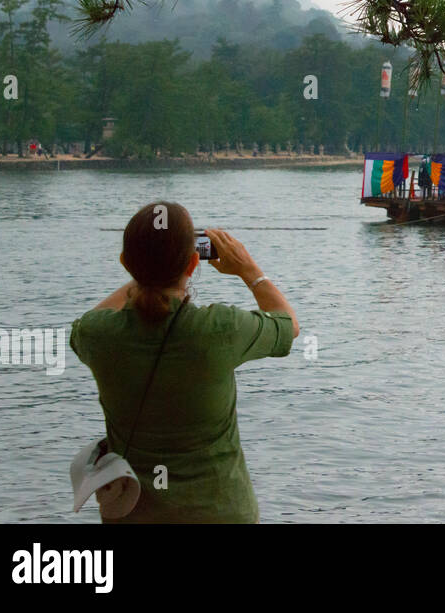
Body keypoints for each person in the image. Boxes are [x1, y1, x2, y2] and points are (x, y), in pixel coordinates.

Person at [69, 202, 298, 523]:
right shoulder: (221, 328)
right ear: (193, 263)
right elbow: (288, 325)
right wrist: (248, 269)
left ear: (126, 264)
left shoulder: (99, 336)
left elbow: (84, 324)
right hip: (221, 514)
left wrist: (145, 276)